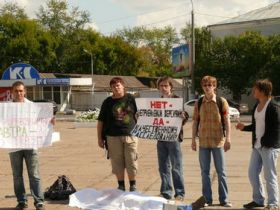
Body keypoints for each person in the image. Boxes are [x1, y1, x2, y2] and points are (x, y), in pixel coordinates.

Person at [236, 79, 280, 210]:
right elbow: (256, 126)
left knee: (269, 175)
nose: (253, 91)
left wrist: (269, 144)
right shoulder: (257, 105)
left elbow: (277, 128)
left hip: (269, 147)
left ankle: (273, 203)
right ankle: (258, 200)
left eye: (255, 89)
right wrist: (244, 127)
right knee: (252, 173)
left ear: (263, 91)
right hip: (257, 146)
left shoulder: (273, 107)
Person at [191, 75, 232, 207]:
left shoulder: (221, 101)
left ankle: (224, 199)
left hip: (218, 141)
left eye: (210, 85)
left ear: (214, 86)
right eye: (205, 85)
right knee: (205, 173)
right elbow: (195, 121)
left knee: (221, 172)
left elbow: (227, 121)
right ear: (202, 87)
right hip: (203, 142)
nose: (207, 87)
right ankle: (207, 200)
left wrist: (228, 139)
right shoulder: (199, 102)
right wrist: (193, 139)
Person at [9, 81, 47, 210]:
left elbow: (42, 122)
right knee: (17, 176)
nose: (19, 93)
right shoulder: (5, 108)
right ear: (12, 92)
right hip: (14, 147)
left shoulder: (33, 106)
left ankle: (39, 202)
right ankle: (21, 201)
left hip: (30, 145)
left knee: (34, 175)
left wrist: (50, 120)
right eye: (16, 91)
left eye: (21, 91)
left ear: (25, 92)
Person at [97, 77, 138, 192]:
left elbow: (142, 114)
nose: (116, 87)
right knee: (117, 162)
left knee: (131, 160)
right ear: (111, 88)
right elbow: (101, 121)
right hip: (112, 137)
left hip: (130, 135)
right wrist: (99, 138)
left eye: (118, 85)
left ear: (123, 86)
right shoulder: (107, 102)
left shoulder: (131, 99)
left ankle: (133, 185)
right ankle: (121, 185)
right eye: (114, 86)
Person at [156, 76, 188, 201]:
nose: (164, 88)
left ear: (171, 87)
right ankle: (166, 192)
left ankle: (179, 193)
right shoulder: (156, 102)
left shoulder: (177, 100)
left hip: (174, 138)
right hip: (161, 138)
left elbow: (184, 118)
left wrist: (183, 116)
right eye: (161, 86)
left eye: (166, 86)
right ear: (158, 88)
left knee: (176, 166)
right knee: (163, 167)